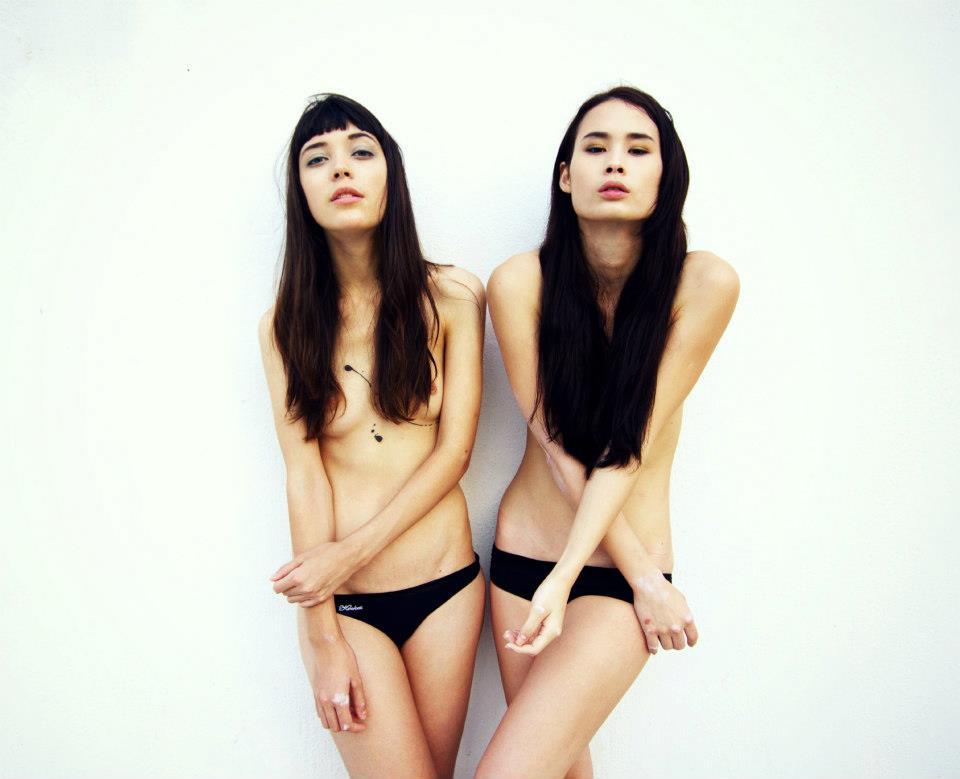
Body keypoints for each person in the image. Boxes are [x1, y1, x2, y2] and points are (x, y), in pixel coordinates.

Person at [477, 86, 740, 778]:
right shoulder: (519, 282)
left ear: (666, 175)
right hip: (525, 559)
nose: (615, 161)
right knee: (557, 768)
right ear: (566, 177)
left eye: (637, 148)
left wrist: (635, 578)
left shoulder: (703, 282)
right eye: (595, 148)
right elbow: (557, 449)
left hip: (625, 575)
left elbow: (630, 445)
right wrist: (555, 576)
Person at [257, 93, 486, 779]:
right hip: (348, 604)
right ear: (301, 191)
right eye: (317, 158)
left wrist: (345, 552)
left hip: (445, 590)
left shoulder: (452, 297)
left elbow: (455, 453)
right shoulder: (284, 326)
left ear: (391, 175)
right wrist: (321, 634)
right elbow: (304, 476)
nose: (341, 168)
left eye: (361, 151)